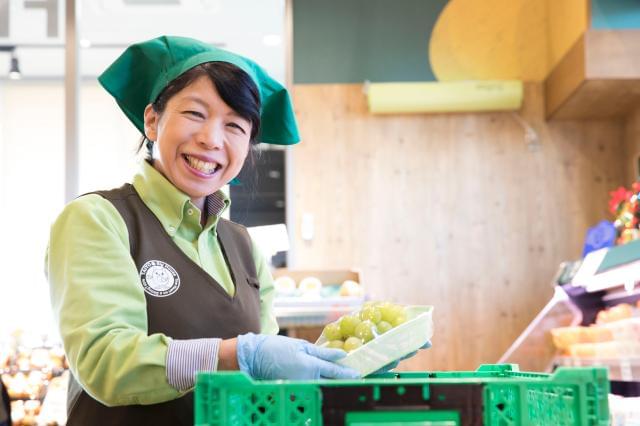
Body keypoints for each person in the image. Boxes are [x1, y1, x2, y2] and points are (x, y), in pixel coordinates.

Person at [46, 36, 427, 425]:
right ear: (152, 120)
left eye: (234, 125)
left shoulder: (242, 245)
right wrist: (238, 356)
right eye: (195, 113)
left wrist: (344, 364)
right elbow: (105, 361)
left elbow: (265, 390)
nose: (212, 139)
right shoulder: (99, 219)